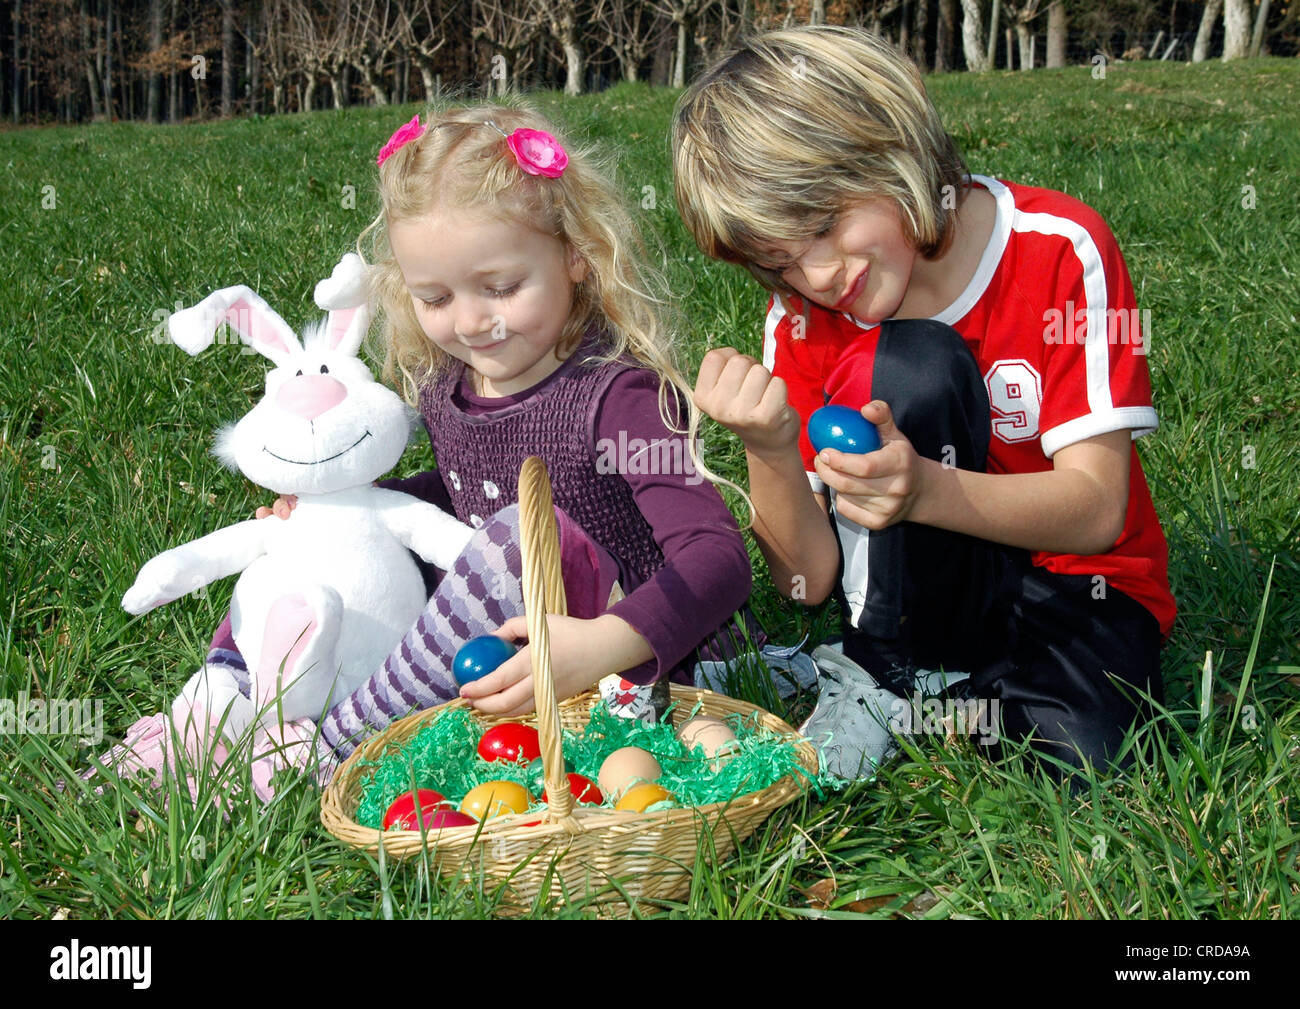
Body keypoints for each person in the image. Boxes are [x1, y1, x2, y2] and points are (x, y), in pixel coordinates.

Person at [91, 100, 755, 800]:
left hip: (646, 664)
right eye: (434, 297)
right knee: (312, 541)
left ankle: (335, 742)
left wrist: (607, 642)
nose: (470, 320)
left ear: (576, 256)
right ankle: (219, 704)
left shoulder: (617, 398)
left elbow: (719, 561)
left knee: (518, 542)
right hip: (511, 651)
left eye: (499, 287)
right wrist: (349, 513)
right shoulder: (448, 389)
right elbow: (461, 486)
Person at [672, 25, 1175, 782]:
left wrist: (925, 490)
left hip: (1081, 582)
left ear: (890, 146)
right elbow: (806, 580)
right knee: (911, 364)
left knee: (1095, 754)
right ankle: (880, 670)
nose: (816, 273)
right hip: (916, 603)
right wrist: (769, 447)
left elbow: (1098, 509)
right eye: (778, 260)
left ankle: (907, 697)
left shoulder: (1057, 248)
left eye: (821, 225)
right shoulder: (801, 323)